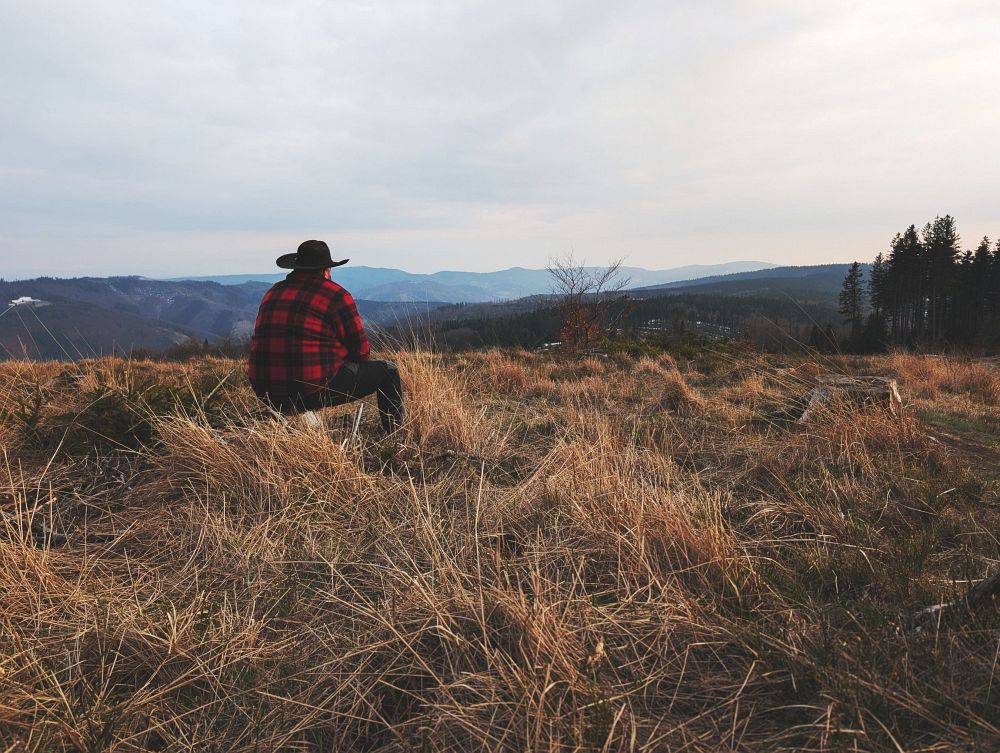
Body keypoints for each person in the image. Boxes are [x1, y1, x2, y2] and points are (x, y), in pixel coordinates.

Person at [248, 240, 404, 434]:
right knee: (388, 371)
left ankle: (297, 422)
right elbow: (361, 351)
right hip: (310, 391)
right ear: (326, 270)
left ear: (297, 267)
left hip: (266, 391)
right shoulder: (336, 295)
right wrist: (340, 356)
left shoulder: (273, 292)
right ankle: (396, 436)